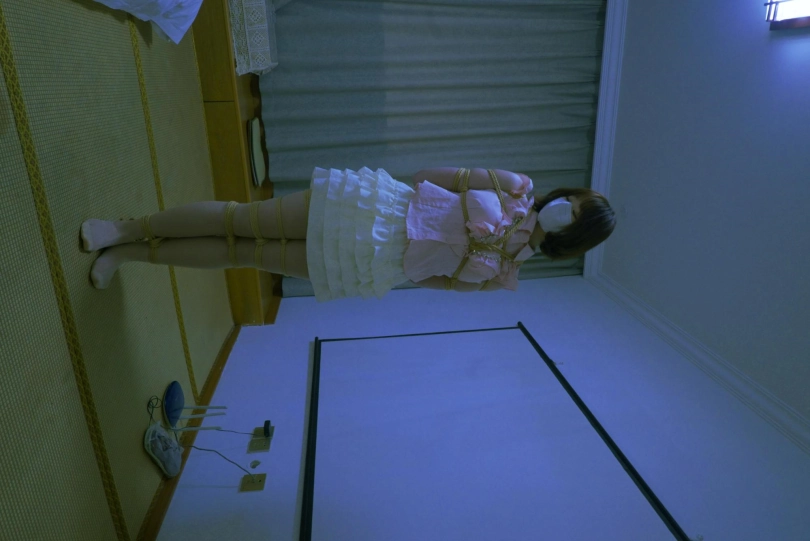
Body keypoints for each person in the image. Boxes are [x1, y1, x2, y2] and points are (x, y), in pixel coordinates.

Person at [81, 167, 615, 301]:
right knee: (240, 221)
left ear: (574, 239)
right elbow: (436, 175)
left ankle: (128, 255)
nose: (563, 210)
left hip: (373, 265)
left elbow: (437, 284)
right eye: (572, 202)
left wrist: (402, 263)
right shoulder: (515, 187)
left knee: (240, 254)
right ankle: (128, 228)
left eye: (574, 218)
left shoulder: (506, 276)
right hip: (371, 212)